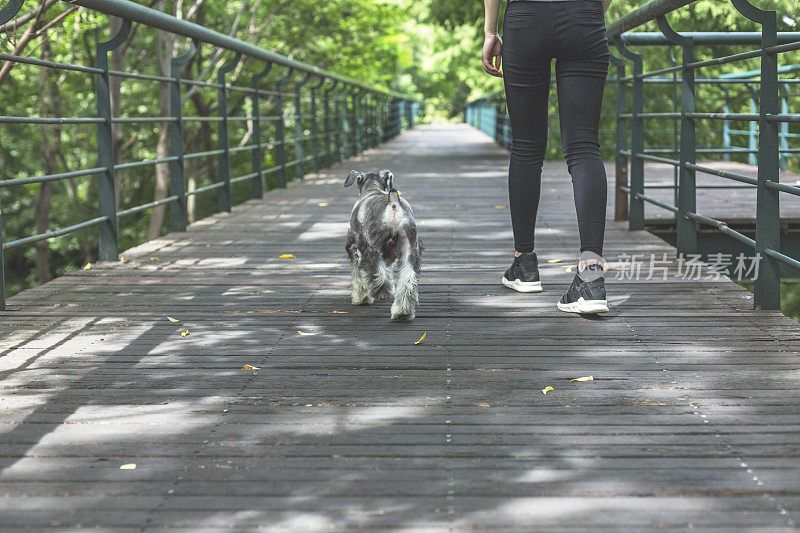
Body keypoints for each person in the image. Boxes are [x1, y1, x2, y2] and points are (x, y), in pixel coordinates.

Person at [482, 0, 612, 314]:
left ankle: (524, 265)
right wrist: (590, 10)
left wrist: (490, 31)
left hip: (526, 18)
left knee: (526, 147)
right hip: (584, 16)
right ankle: (591, 278)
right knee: (584, 147)